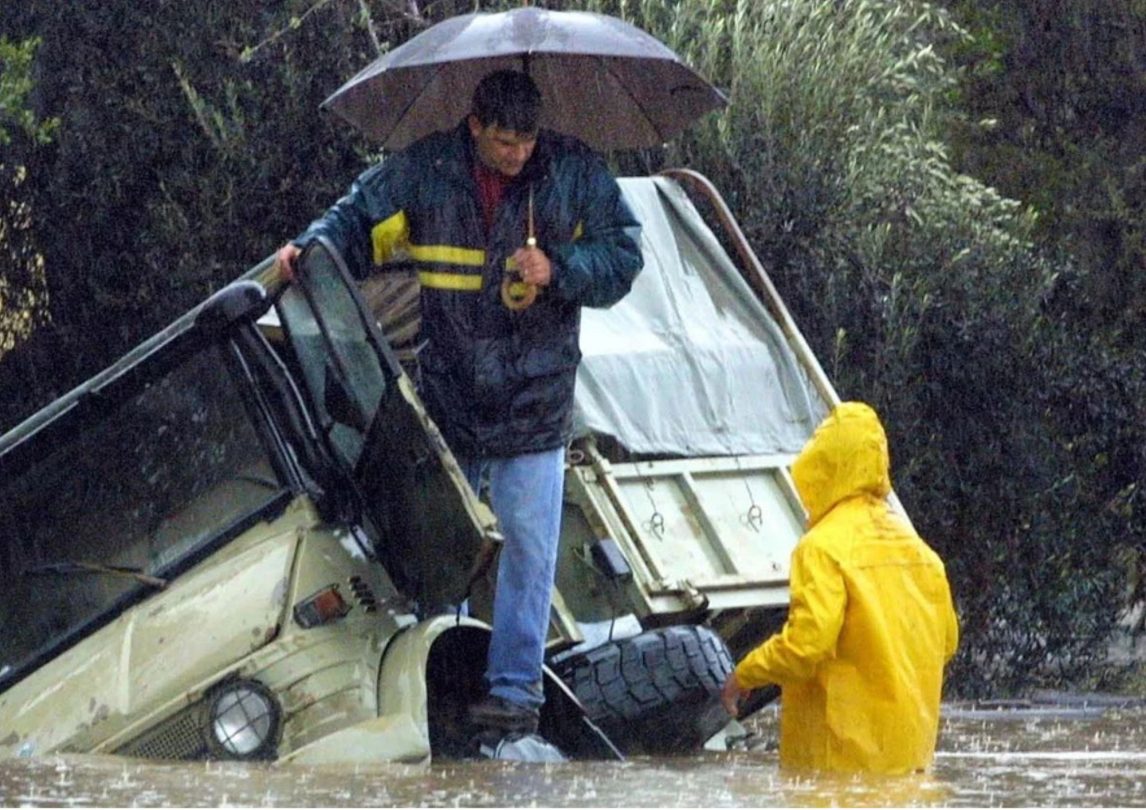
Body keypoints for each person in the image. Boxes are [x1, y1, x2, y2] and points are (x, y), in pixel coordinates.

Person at [275, 69, 644, 737]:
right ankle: (427, 687)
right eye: (504, 143)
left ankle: (513, 697)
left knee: (530, 552)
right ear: (475, 127)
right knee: (437, 550)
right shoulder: (424, 172)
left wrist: (558, 269)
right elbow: (356, 220)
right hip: (447, 399)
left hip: (535, 404)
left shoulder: (576, 173)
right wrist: (308, 250)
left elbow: (623, 257)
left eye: (527, 143)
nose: (517, 156)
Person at [721, 401, 959, 774]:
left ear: (822, 465)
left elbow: (806, 645)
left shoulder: (821, 548)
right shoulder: (922, 553)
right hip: (910, 762)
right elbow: (946, 643)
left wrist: (744, 674)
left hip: (838, 763)